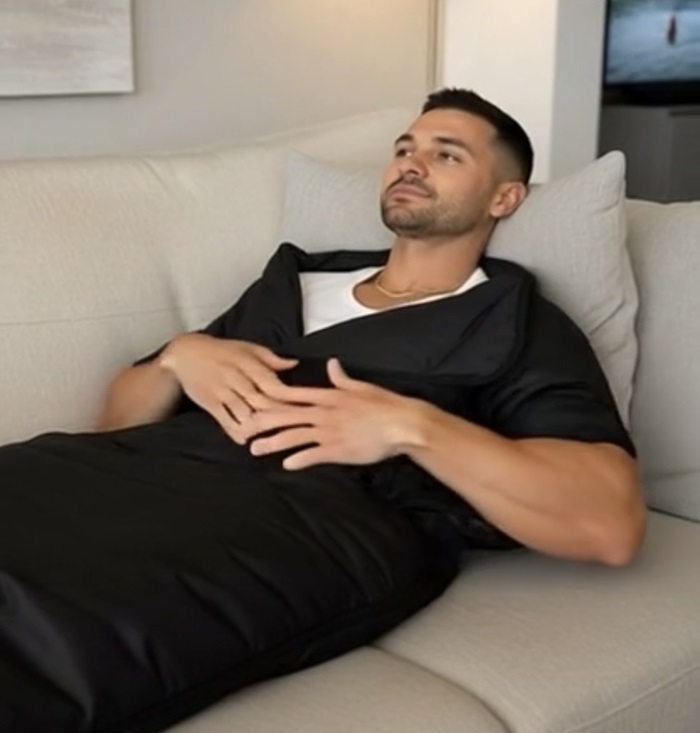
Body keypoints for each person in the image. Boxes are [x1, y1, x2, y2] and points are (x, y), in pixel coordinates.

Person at [98, 87, 645, 566]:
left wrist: (412, 427)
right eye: (404, 150)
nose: (411, 165)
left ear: (504, 197)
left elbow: (611, 525)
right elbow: (111, 428)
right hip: (136, 483)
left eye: (446, 155)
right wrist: (179, 355)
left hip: (263, 529)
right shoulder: (294, 281)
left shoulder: (509, 320)